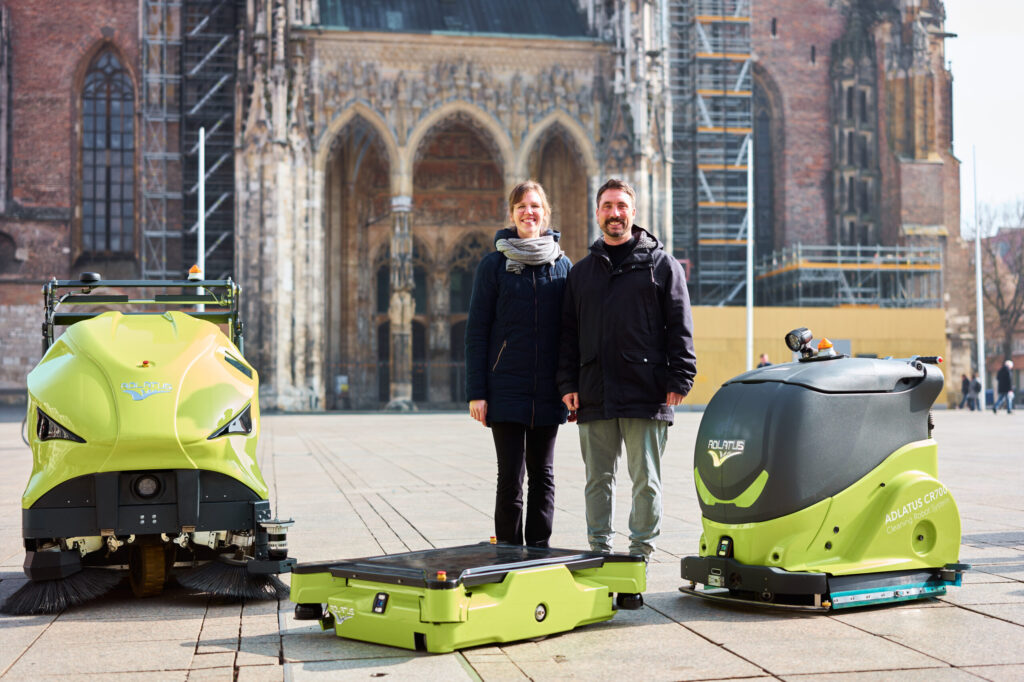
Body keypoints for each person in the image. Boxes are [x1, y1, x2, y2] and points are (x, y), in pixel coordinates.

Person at [557, 178, 697, 559]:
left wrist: (681, 376)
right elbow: (568, 334)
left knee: (645, 481)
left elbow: (680, 324)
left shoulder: (662, 265)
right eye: (607, 206)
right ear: (597, 212)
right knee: (597, 481)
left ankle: (639, 555)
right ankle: (599, 552)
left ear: (633, 212)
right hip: (593, 390)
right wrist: (567, 382)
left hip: (646, 390)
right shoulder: (581, 272)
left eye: (621, 206)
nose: (614, 213)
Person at [465, 180, 571, 547]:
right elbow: (477, 330)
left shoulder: (562, 265)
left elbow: (569, 334)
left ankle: (539, 550)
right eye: (522, 206)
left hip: (547, 389)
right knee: (510, 476)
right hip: (505, 387)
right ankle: (508, 554)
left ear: (545, 213)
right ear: (511, 214)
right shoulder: (493, 265)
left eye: (535, 206)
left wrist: (571, 387)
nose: (529, 212)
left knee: (543, 475)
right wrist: (477, 392)